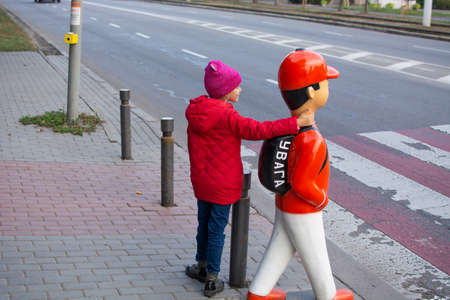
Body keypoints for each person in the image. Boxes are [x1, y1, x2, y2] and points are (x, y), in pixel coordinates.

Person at [185, 60, 315, 298]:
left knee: (203, 224)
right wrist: (296, 123)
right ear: (226, 92)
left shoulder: (197, 111)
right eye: (236, 86)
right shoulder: (227, 116)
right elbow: (258, 130)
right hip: (223, 185)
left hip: (202, 181)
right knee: (216, 230)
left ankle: (201, 266)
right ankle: (212, 278)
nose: (240, 89)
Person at [247, 49, 354, 300]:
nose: (328, 87)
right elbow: (303, 183)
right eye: (325, 82)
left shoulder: (290, 128)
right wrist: (322, 200)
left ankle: (258, 291)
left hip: (285, 202)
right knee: (316, 253)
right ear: (311, 91)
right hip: (304, 208)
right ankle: (328, 295)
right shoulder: (311, 138)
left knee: (280, 246)